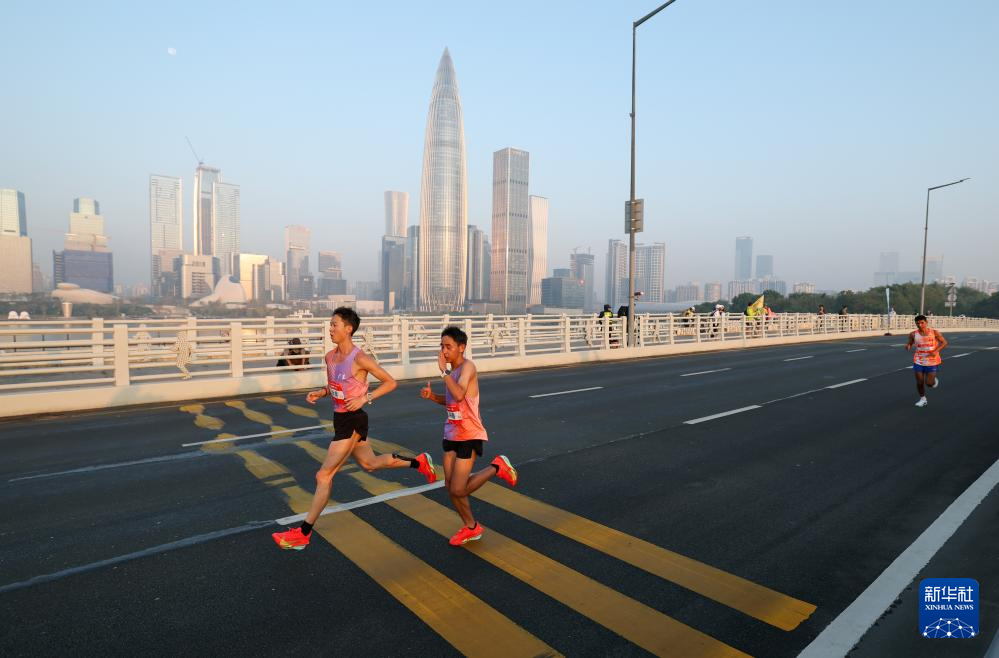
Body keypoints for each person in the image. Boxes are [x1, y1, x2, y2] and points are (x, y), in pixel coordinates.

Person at [272, 307, 437, 550]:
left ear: (348, 329)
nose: (330, 329)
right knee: (370, 464)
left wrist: (365, 398)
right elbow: (335, 385)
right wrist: (322, 392)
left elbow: (390, 382)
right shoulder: (329, 357)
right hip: (340, 419)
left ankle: (303, 533)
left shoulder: (360, 359)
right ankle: (419, 462)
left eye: (334, 325)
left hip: (353, 420)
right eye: (330, 324)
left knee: (323, 476)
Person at [420, 326, 517, 546]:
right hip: (451, 433)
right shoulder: (452, 372)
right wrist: (432, 396)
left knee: (458, 488)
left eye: (448, 346)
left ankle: (497, 467)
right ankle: (471, 527)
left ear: (461, 347)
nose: (444, 351)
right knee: (450, 487)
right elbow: (450, 400)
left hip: (469, 434)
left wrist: (443, 373)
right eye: (442, 346)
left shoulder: (467, 368)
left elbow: (459, 394)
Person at [906, 314, 948, 408]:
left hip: (932, 360)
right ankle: (923, 399)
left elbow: (944, 342)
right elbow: (910, 342)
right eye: (918, 323)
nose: (920, 325)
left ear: (926, 322)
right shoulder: (913, 334)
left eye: (922, 323)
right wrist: (908, 346)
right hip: (918, 360)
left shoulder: (934, 332)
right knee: (919, 382)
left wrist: (936, 351)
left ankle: (933, 382)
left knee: (929, 383)